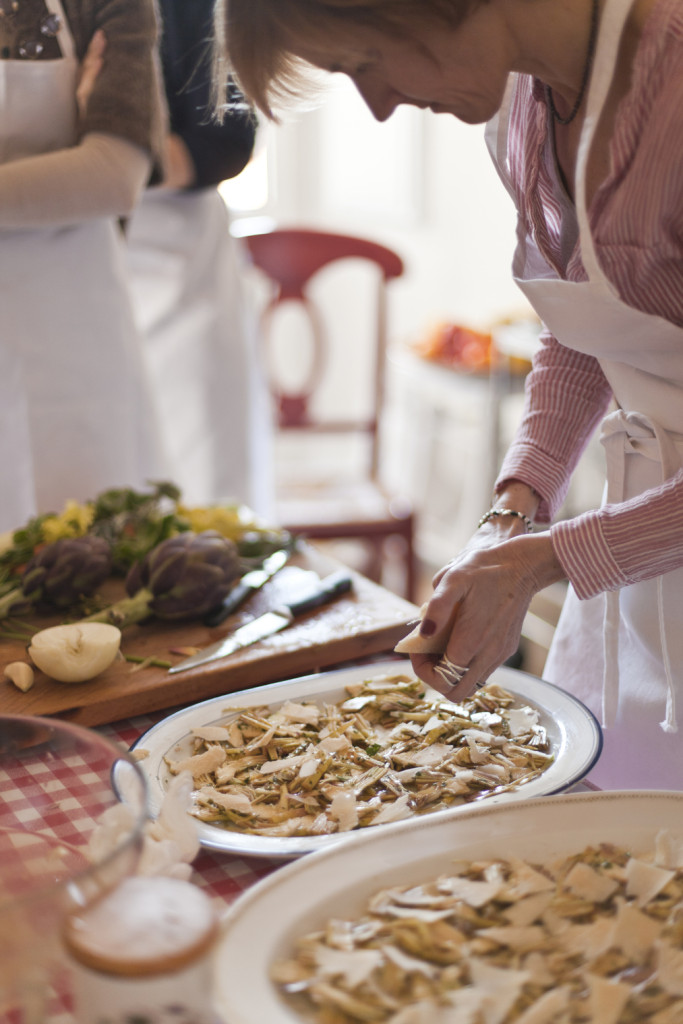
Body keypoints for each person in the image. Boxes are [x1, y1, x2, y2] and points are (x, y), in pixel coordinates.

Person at [216, 0, 683, 790]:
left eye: (364, 62)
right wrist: (513, 514)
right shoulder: (524, 111)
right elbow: (587, 327)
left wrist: (551, 556)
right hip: (643, 569)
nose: (378, 106)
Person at [0, 0, 168, 535]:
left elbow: (113, 175)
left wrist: (90, 171)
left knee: (94, 563)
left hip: (74, 324)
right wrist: (54, 176)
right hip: (75, 281)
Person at [125, 0, 273, 514]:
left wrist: (101, 167)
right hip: (52, 257)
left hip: (182, 263)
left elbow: (228, 137)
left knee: (200, 479)